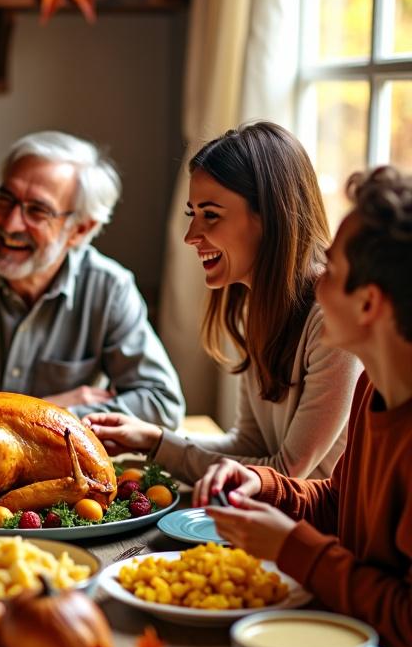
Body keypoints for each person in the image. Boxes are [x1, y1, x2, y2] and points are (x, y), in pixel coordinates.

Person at [199, 166, 412, 647]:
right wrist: (265, 484)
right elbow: (340, 505)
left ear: (368, 303)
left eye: (331, 273)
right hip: (343, 641)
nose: (318, 287)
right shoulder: (372, 389)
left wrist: (293, 548)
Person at [84, 122, 360, 482]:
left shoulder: (331, 320)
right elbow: (249, 444)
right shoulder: (257, 305)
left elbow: (284, 474)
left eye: (210, 215)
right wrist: (153, 440)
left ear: (271, 216)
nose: (190, 236)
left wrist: (160, 446)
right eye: (192, 214)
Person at [0, 130, 185, 425]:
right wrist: (48, 411)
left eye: (37, 211)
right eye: (5, 199)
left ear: (79, 229)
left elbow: (162, 402)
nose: (10, 223)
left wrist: (4, 419)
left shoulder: (109, 288)